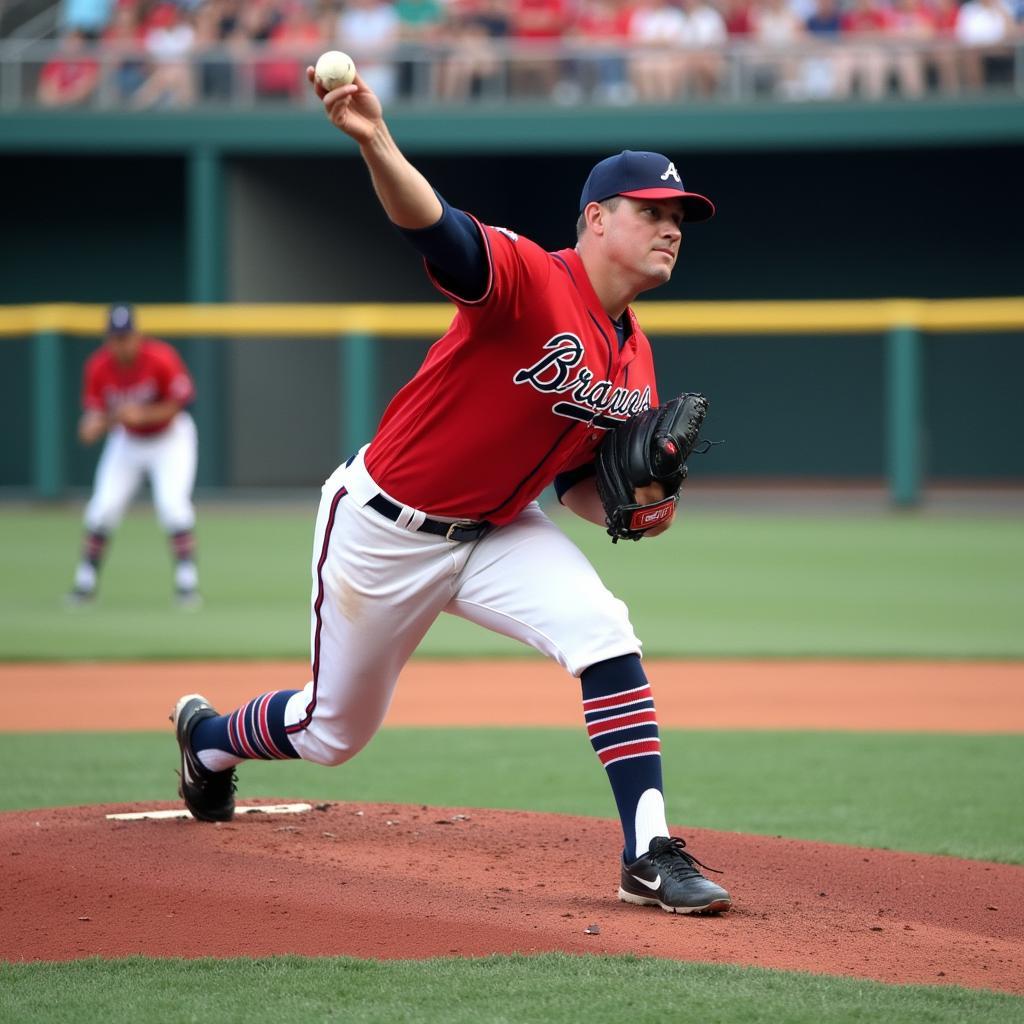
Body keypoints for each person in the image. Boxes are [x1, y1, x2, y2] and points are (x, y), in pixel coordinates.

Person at [171, 67, 732, 916]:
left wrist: (644, 499)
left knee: (603, 629)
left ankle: (648, 850)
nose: (670, 229)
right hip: (384, 526)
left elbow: (584, 485)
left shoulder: (637, 359)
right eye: (651, 212)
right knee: (333, 733)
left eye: (678, 217)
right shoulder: (528, 277)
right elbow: (436, 231)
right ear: (595, 219)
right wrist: (374, 140)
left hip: (502, 529)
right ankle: (208, 741)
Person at [68, 303, 201, 607]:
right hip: (126, 441)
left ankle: (187, 582)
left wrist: (143, 415)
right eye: (115, 337)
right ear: (107, 340)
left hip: (170, 439)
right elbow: (92, 419)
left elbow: (182, 402)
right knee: (102, 508)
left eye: (125, 336)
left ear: (137, 335)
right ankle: (85, 582)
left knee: (173, 506)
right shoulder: (99, 366)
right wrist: (92, 425)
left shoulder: (160, 357)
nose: (121, 343)